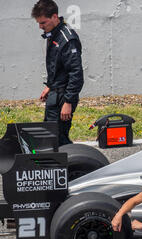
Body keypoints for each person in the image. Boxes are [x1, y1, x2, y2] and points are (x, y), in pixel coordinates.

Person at [31, 0, 84, 146]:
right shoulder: (52, 34)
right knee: (49, 134)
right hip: (55, 93)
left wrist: (68, 102)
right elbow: (57, 66)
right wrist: (49, 85)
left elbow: (76, 73)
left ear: (55, 17)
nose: (40, 27)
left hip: (64, 97)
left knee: (59, 138)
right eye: (39, 23)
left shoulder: (67, 39)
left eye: (43, 23)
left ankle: (74, 166)